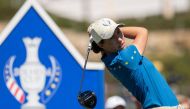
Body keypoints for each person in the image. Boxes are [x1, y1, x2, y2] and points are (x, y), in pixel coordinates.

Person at [87, 18, 183, 109]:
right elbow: (142, 31)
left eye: (118, 33)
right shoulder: (125, 58)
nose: (120, 39)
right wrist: (117, 30)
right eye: (112, 37)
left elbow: (103, 46)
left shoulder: (109, 59)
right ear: (100, 44)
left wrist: (106, 33)